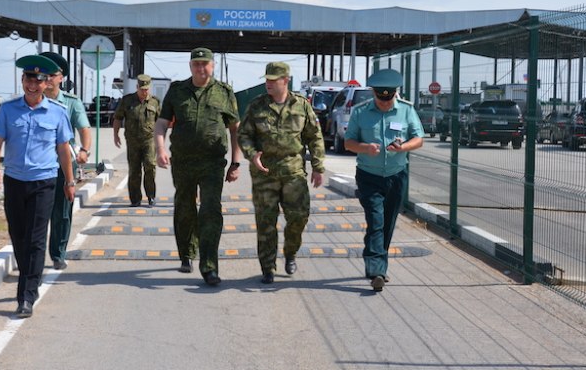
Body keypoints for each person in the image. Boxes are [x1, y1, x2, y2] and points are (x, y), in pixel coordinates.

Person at [0, 54, 76, 318]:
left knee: (37, 239)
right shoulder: (8, 110)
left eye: (38, 80)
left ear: (47, 83)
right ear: (23, 80)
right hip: (15, 181)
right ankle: (29, 281)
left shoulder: (58, 113)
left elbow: (63, 150)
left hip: (44, 182)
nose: (33, 85)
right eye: (29, 79)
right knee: (19, 236)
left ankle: (26, 295)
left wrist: (69, 181)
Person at [154, 47, 241, 286]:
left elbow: (235, 130)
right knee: (184, 208)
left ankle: (209, 266)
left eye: (205, 64)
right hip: (182, 161)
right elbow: (162, 124)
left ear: (212, 66)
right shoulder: (177, 91)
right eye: (196, 64)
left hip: (213, 162)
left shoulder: (224, 92)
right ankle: (187, 253)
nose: (201, 68)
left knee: (211, 210)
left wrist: (235, 162)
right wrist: (160, 149)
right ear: (190, 66)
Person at [237, 62, 325, 284]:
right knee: (266, 222)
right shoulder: (256, 106)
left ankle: (290, 252)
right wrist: (251, 154)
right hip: (264, 173)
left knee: (299, 217)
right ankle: (268, 267)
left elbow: (314, 137)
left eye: (273, 79)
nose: (268, 83)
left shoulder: (301, 105)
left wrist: (317, 166)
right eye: (266, 79)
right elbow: (244, 135)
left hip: (293, 172)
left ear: (285, 80)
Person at [343, 69, 424, 292]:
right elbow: (348, 142)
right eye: (381, 98)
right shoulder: (360, 112)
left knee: (387, 223)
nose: (385, 103)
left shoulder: (407, 110)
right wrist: (365, 148)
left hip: (397, 175)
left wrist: (403, 147)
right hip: (369, 175)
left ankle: (377, 265)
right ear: (374, 93)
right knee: (376, 220)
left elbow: (419, 138)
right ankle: (377, 270)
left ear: (395, 94)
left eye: (388, 98)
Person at [40, 51, 92, 271]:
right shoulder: (32, 100)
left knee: (62, 211)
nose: (48, 79)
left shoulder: (70, 102)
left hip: (63, 163)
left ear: (61, 78)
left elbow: (84, 128)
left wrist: (85, 150)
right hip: (39, 163)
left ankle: (58, 253)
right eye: (44, 74)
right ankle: (34, 254)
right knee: (38, 212)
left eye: (52, 75)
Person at [113, 74, 161, 207]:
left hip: (149, 141)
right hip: (132, 141)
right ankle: (135, 199)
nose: (144, 92)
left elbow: (160, 122)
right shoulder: (127, 100)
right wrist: (115, 135)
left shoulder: (155, 102)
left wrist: (160, 140)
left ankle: (151, 196)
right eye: (142, 89)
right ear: (137, 87)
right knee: (134, 170)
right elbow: (118, 118)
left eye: (146, 89)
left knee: (150, 167)